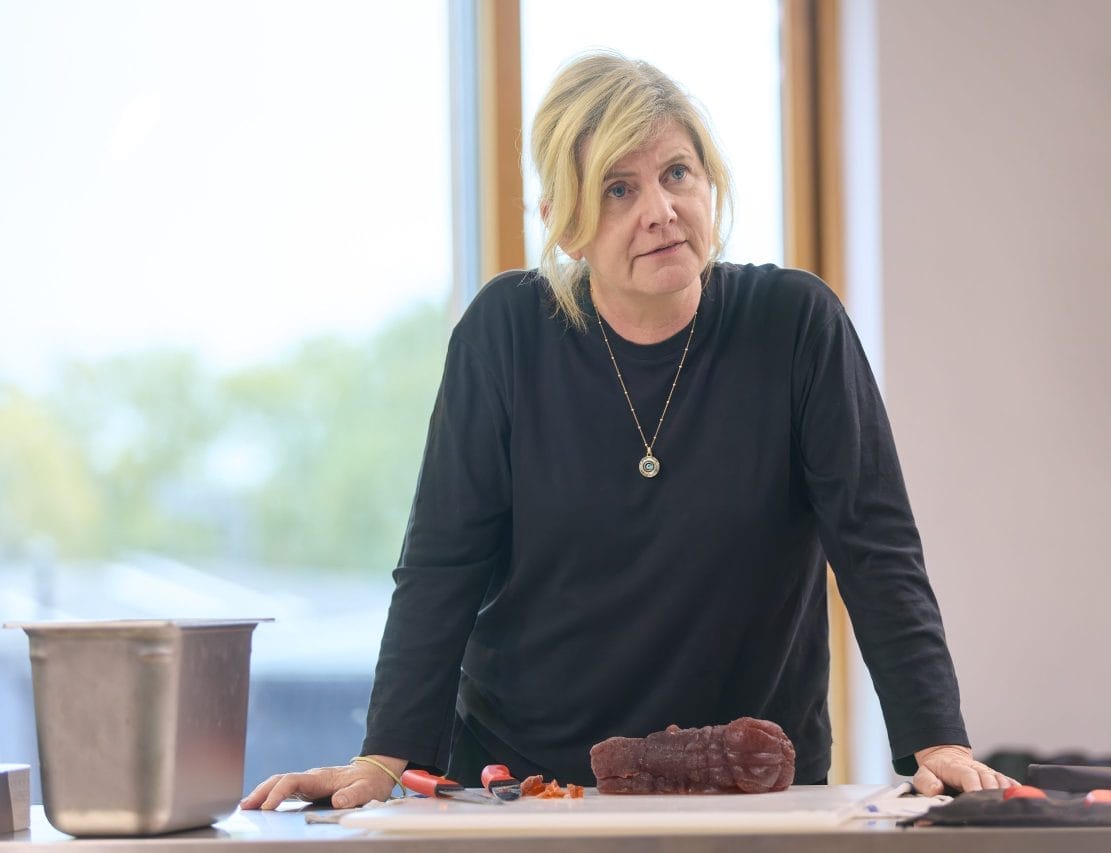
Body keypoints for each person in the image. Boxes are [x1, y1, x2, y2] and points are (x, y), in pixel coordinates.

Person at [242, 51, 1014, 812]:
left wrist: (934, 741)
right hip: (527, 787)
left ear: (709, 181)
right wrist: (385, 756)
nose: (659, 209)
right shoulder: (505, 334)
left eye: (677, 172)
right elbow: (442, 563)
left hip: (749, 790)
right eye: (618, 189)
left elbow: (875, 546)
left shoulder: (796, 326)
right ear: (564, 224)